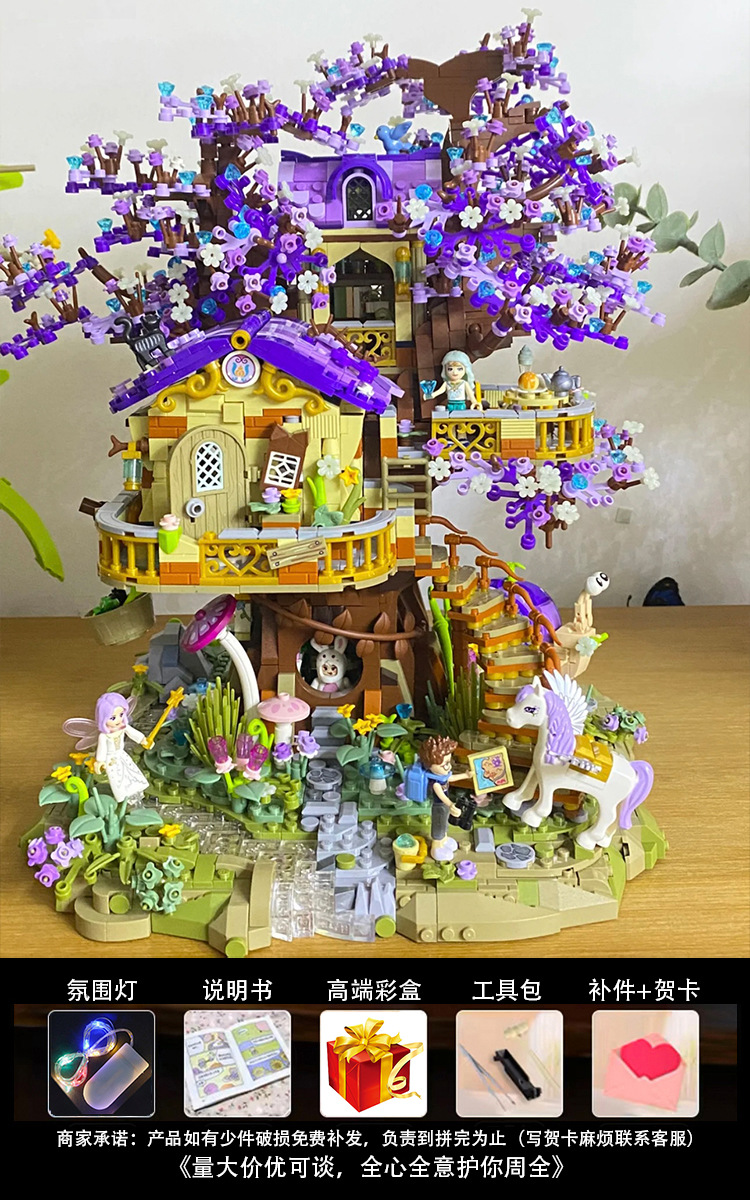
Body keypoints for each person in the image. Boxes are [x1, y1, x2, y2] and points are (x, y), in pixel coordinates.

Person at [93, 692, 149, 805]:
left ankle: (137, 794)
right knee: (118, 779)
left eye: (121, 714)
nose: (118, 719)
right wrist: (100, 761)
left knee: (131, 774)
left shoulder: (123, 727)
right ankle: (125, 799)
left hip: (122, 755)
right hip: (111, 760)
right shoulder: (104, 735)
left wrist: (142, 739)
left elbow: (133, 733)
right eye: (113, 717)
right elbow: (102, 749)